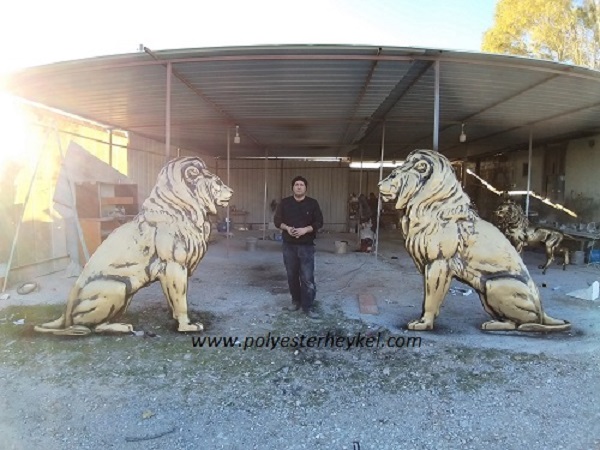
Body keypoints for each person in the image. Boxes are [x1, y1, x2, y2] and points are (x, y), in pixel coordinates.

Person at [274, 176, 323, 319]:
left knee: (307, 277)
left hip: (306, 246)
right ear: (293, 187)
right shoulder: (285, 203)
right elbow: (277, 221)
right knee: (292, 275)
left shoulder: (313, 203)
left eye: (302, 184)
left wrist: (305, 230)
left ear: (306, 188)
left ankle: (307, 306)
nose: (299, 187)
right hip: (289, 245)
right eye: (296, 184)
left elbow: (319, 222)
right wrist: (287, 228)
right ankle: (295, 301)